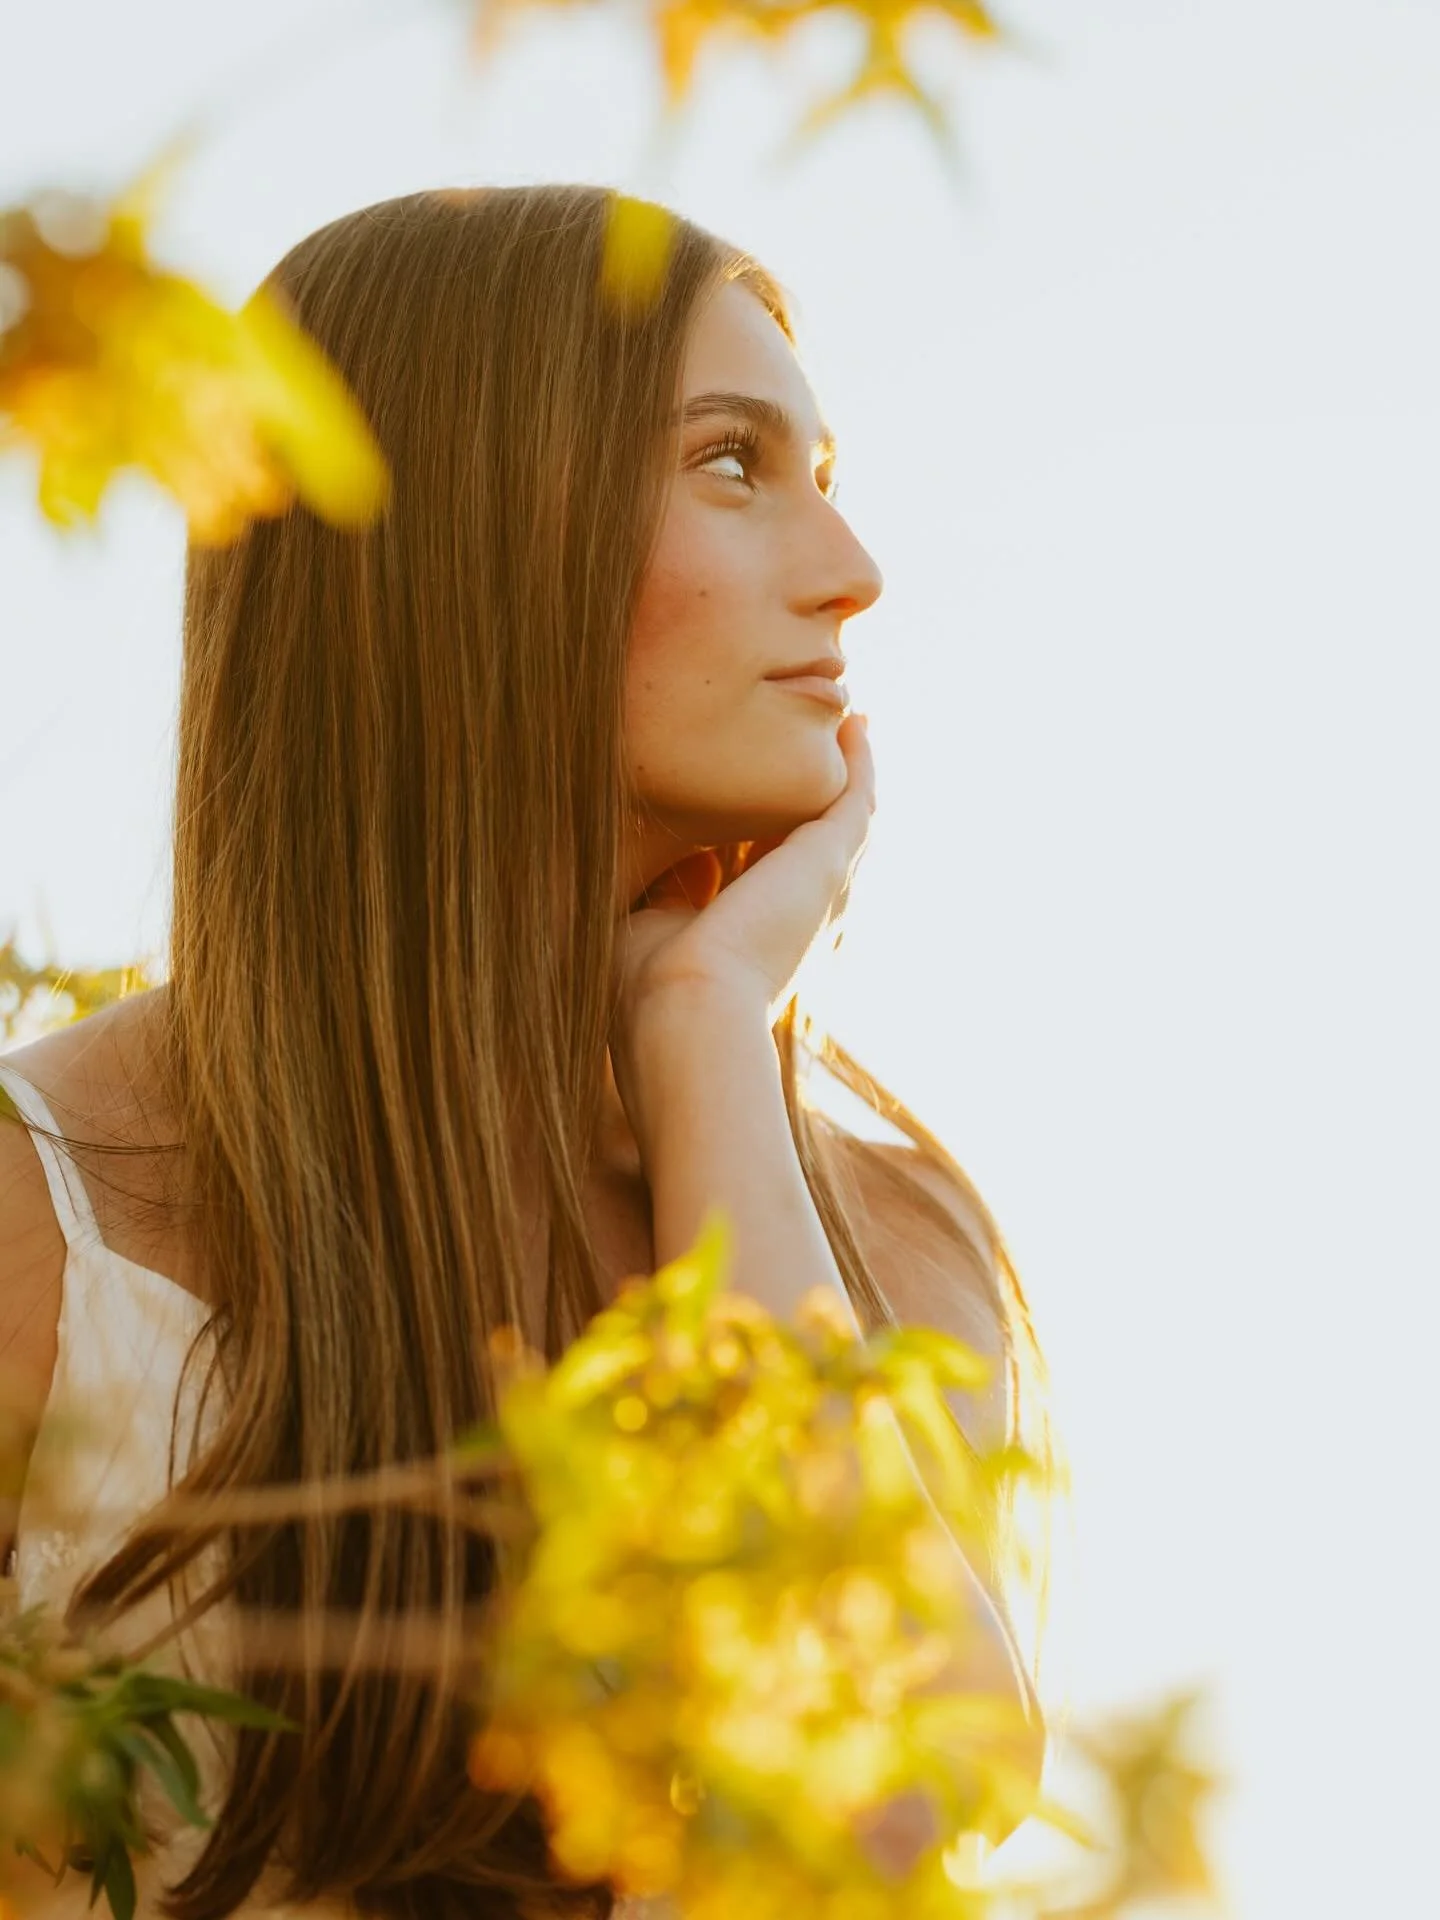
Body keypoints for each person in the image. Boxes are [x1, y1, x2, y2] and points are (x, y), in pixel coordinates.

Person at [0, 184, 1053, 1920]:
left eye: (828, 471)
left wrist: (708, 1035)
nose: (852, 574)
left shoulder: (893, 1256)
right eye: (733, 462)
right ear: (467, 540)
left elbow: (879, 1821)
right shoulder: (49, 1221)